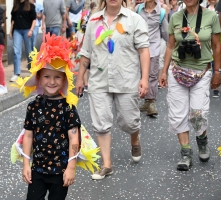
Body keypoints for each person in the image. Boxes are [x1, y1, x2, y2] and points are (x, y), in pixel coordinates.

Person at [76, 0, 150, 180]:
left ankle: (135, 139)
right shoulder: (93, 20)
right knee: (100, 122)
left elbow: (143, 51)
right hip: (99, 81)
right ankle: (107, 164)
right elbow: (86, 52)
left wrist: (144, 78)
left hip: (126, 79)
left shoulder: (134, 19)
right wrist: (80, 77)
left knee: (129, 121)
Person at [11, 34, 81, 199]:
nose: (52, 81)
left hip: (60, 171)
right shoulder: (34, 106)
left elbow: (74, 138)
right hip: (38, 170)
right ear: (39, 79)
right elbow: (28, 135)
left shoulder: (68, 108)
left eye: (57, 76)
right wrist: (26, 163)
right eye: (47, 76)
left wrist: (71, 166)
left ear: (64, 80)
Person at [159, 0, 221, 171]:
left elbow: (216, 46)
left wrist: (217, 71)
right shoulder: (176, 17)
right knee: (178, 114)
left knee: (197, 113)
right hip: (178, 70)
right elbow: (170, 46)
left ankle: (202, 141)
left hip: (202, 72)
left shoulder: (211, 16)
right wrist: (163, 71)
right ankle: (185, 153)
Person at [136, 0, 169, 116]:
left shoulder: (161, 12)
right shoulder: (138, 9)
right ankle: (138, 99)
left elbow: (165, 32)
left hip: (153, 48)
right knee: (138, 74)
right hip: (138, 48)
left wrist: (171, 46)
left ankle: (150, 102)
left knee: (152, 75)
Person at [9, 0, 36, 82]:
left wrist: (31, 30)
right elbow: (13, 21)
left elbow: (34, 19)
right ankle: (16, 73)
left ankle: (32, 70)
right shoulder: (15, 6)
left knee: (29, 51)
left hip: (27, 30)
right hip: (17, 30)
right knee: (16, 51)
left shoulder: (30, 6)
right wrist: (10, 32)